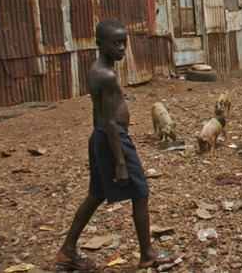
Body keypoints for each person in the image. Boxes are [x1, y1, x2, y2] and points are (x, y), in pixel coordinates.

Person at [55, 19, 174, 271]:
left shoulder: (99, 68)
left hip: (101, 137)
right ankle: (148, 254)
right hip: (114, 138)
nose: (122, 48)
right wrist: (120, 162)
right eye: (116, 43)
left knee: (96, 194)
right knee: (140, 193)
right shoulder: (106, 75)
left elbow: (98, 115)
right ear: (100, 44)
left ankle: (67, 249)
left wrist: (98, 144)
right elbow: (109, 121)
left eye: (124, 42)